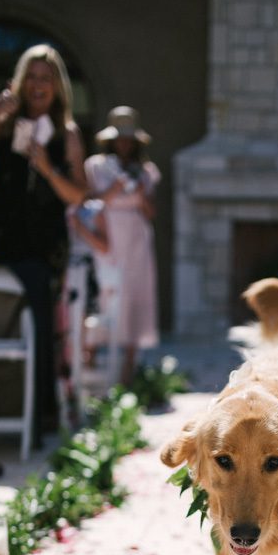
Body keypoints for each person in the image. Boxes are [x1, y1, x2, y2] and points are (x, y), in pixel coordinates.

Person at [0, 44, 86, 446]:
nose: (38, 85)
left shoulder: (67, 133)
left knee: (38, 319)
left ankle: (37, 419)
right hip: (0, 238)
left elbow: (77, 196)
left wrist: (48, 170)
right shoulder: (4, 123)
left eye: (46, 78)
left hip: (42, 246)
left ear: (57, 87)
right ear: (21, 81)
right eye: (32, 77)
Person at [84, 106, 160, 385]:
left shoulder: (147, 171)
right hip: (108, 235)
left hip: (137, 239)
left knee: (135, 296)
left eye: (129, 139)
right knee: (106, 295)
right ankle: (89, 364)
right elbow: (89, 202)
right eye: (120, 138)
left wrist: (140, 197)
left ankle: (128, 372)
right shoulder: (97, 166)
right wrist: (113, 191)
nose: (124, 144)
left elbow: (152, 211)